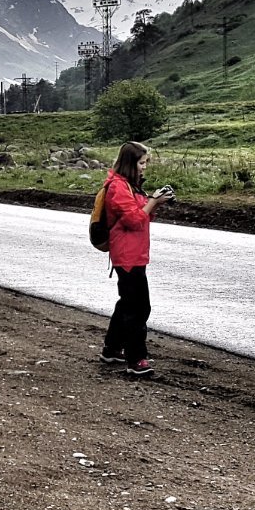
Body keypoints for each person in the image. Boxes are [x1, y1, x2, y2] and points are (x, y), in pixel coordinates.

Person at [98, 141, 175, 376]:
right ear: (131, 163)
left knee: (127, 303)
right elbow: (133, 220)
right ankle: (136, 358)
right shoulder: (118, 187)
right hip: (127, 255)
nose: (144, 167)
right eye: (142, 163)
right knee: (139, 308)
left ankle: (111, 349)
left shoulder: (130, 186)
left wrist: (155, 201)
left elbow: (141, 216)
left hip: (134, 253)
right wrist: (153, 202)